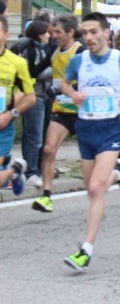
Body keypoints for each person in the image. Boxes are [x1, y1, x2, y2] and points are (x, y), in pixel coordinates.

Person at [60, 12, 120, 270]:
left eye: (93, 32)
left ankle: (85, 249)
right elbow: (64, 84)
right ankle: (119, 173)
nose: (88, 37)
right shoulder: (78, 61)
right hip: (86, 129)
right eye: (84, 33)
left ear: (106, 33)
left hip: (111, 129)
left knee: (95, 189)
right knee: (92, 186)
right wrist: (73, 93)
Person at [33, 13, 85, 213]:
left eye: (57, 32)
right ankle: (46, 196)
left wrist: (64, 88)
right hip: (62, 109)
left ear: (70, 32)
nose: (53, 35)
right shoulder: (54, 50)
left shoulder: (80, 51)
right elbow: (35, 70)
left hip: (82, 111)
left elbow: (90, 79)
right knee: (48, 149)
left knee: (92, 156)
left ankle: (117, 167)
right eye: (51, 32)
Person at [11, 20, 51, 186]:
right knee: (34, 135)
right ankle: (31, 172)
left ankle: (32, 169)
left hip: (39, 94)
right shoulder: (34, 50)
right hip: (35, 95)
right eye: (46, 32)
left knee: (34, 134)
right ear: (40, 34)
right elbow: (33, 72)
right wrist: (52, 68)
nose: (49, 35)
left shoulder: (37, 48)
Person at [0, 14, 36, 196]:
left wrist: (10, 114)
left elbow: (30, 97)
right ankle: (14, 171)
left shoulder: (16, 63)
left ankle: (13, 171)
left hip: (3, 125)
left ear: (6, 35)